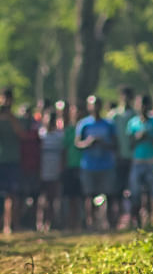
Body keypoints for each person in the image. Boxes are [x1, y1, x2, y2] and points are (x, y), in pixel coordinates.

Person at [0, 87, 27, 235]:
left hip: (12, 159)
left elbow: (21, 135)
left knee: (11, 195)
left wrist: (11, 118)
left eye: (8, 99)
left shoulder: (17, 118)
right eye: (3, 98)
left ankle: (8, 226)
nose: (5, 102)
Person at [75, 95, 117, 231]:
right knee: (89, 195)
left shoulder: (109, 124)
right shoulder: (83, 124)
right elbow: (77, 144)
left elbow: (115, 144)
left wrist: (103, 143)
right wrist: (88, 143)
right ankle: (90, 224)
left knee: (109, 194)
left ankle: (110, 224)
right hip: (89, 165)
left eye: (97, 104)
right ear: (89, 106)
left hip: (106, 164)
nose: (95, 107)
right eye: (92, 104)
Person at [126, 94, 153, 228]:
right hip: (138, 161)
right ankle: (137, 223)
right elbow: (130, 144)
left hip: (152, 161)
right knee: (135, 193)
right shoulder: (133, 122)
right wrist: (138, 137)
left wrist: (149, 136)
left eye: (144, 104)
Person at [106, 86, 138, 228]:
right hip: (117, 158)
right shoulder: (114, 115)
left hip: (132, 157)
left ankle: (133, 218)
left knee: (133, 189)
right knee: (116, 189)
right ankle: (116, 218)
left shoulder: (135, 115)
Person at [37, 109, 65, 231]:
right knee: (41, 199)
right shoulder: (40, 135)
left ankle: (51, 222)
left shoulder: (60, 136)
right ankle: (39, 222)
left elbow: (63, 154)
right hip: (41, 171)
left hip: (54, 171)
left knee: (53, 199)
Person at [59, 100, 84, 231]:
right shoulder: (68, 131)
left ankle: (81, 224)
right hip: (70, 167)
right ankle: (70, 224)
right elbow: (64, 150)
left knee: (81, 198)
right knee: (70, 198)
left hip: (83, 167)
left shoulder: (86, 128)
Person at [17, 104, 42, 231]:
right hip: (20, 168)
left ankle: (33, 223)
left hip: (34, 168)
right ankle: (19, 222)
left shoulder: (36, 132)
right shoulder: (16, 131)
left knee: (35, 197)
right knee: (20, 197)